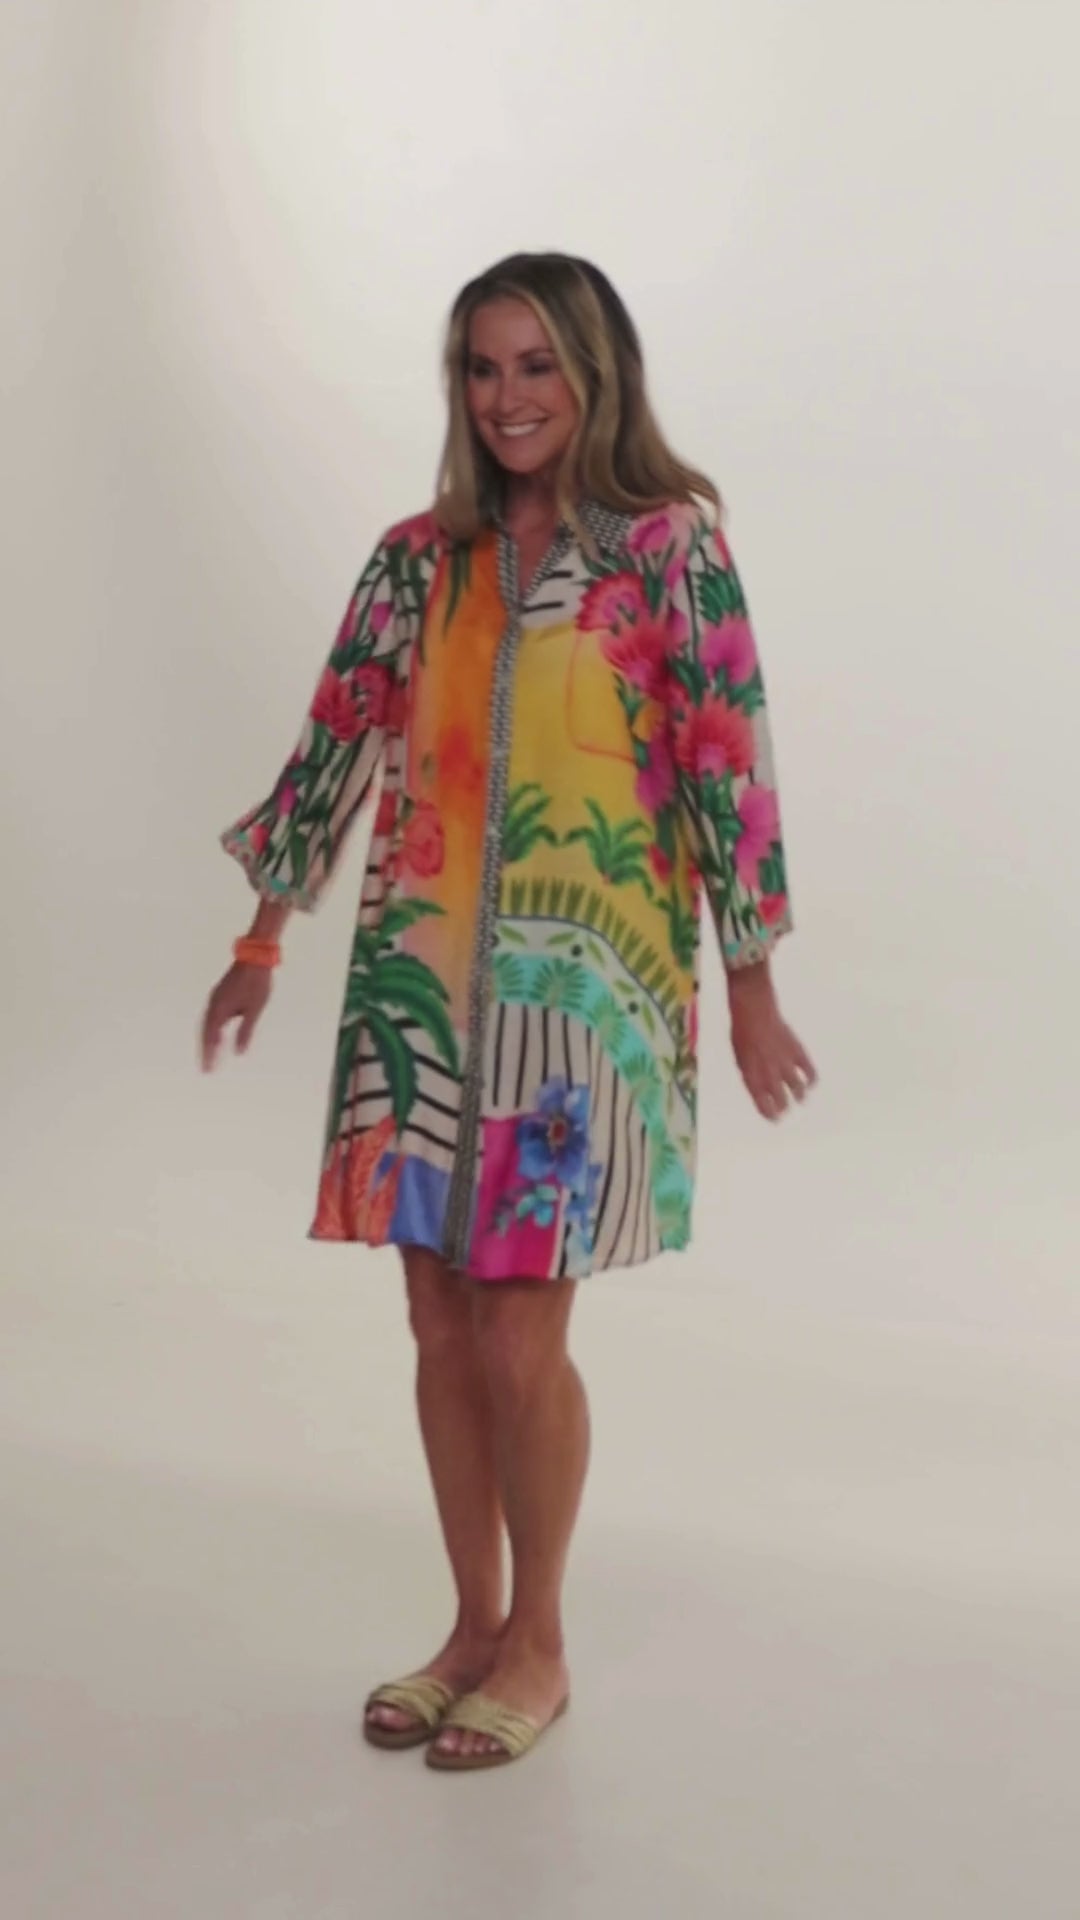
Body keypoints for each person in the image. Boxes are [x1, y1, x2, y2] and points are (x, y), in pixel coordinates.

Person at [200, 252, 817, 1773]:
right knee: (437, 1322)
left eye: (536, 366)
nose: (508, 398)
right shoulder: (420, 560)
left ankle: (540, 1640)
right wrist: (263, 937)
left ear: (595, 375)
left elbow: (724, 759)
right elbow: (335, 742)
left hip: (582, 1003)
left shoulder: (667, 551)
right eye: (482, 369)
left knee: (521, 1333)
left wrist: (750, 982)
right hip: (418, 986)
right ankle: (470, 1628)